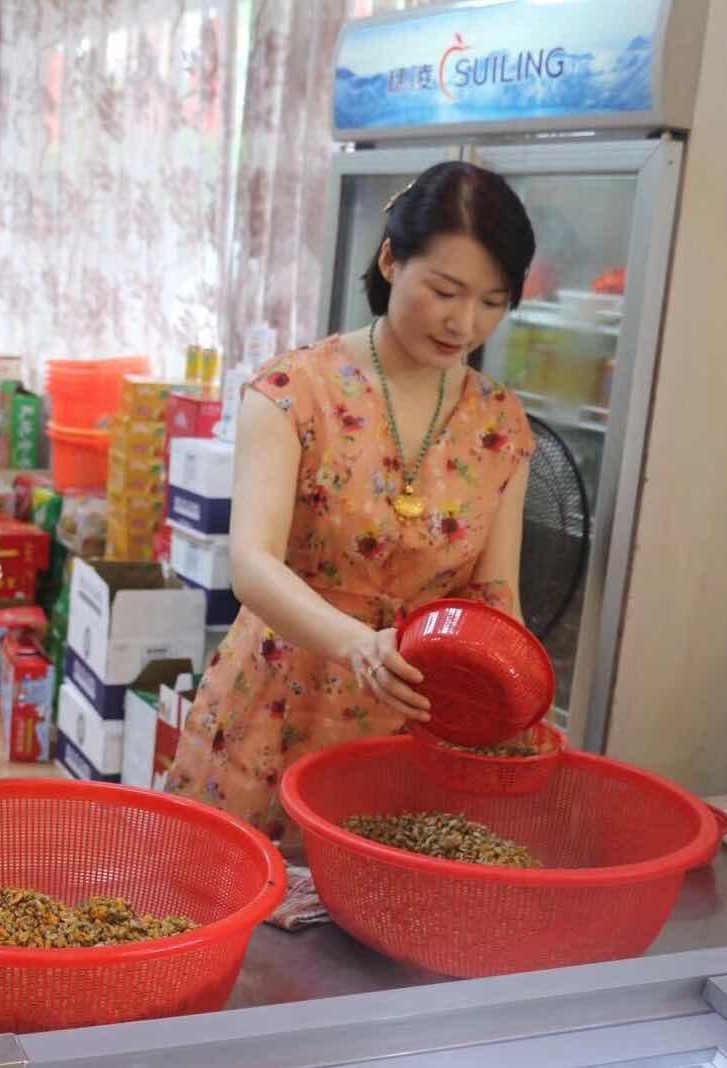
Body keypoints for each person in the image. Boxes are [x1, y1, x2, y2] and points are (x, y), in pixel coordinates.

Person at [166, 161, 538, 844]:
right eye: (445, 290)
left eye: (492, 300)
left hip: (415, 714)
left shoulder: (499, 422)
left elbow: (494, 592)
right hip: (281, 699)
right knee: (250, 908)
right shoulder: (294, 390)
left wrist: (512, 700)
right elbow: (251, 565)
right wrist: (356, 647)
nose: (464, 322)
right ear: (391, 261)